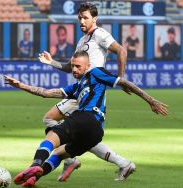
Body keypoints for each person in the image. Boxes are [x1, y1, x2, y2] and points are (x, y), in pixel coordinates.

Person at [5, 51, 168, 187]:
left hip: (86, 118)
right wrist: (21, 85)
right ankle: (36, 176)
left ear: (88, 66)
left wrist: (151, 100)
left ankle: (35, 165)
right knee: (60, 154)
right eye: (73, 66)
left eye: (78, 66)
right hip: (95, 133)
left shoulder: (95, 73)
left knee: (52, 136)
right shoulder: (77, 87)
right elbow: (47, 93)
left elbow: (124, 82)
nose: (74, 69)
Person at [39, 2, 134, 182]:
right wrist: (51, 62)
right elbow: (70, 67)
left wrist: (121, 80)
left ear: (94, 19)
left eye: (85, 18)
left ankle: (72, 159)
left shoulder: (99, 34)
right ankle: (122, 163)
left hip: (92, 91)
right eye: (80, 18)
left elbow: (121, 51)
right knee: (80, 134)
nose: (82, 21)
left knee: (52, 120)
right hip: (81, 89)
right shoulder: (82, 41)